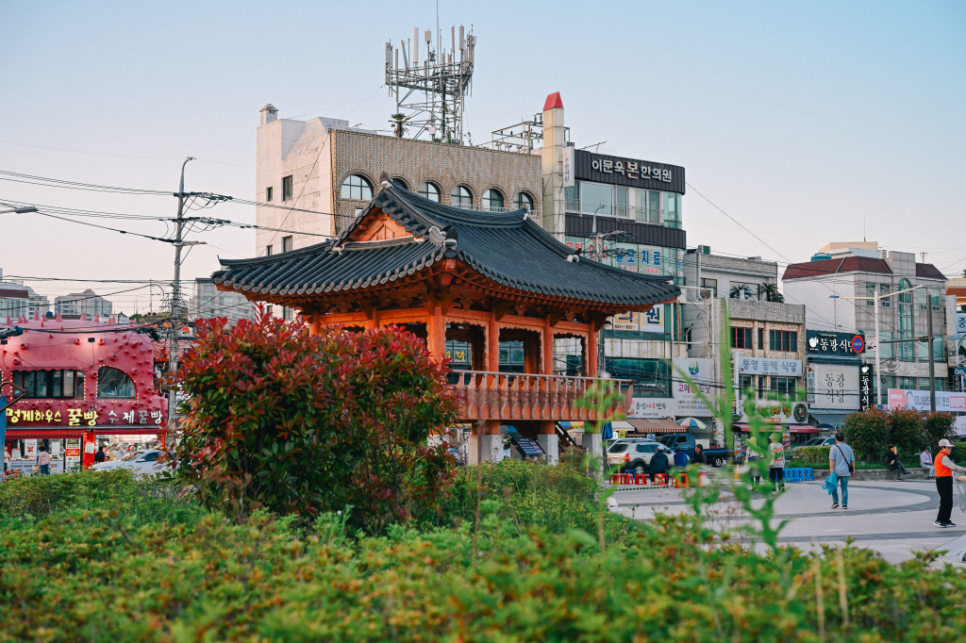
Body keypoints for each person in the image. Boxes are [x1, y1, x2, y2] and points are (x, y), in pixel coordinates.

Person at [934, 438, 965, 528]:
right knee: (945, 500)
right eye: (948, 448)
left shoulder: (944, 456)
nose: (950, 449)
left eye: (950, 448)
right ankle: (939, 520)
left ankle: (946, 520)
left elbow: (951, 467)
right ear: (942, 448)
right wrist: (963, 469)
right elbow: (953, 466)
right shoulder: (942, 457)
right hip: (942, 480)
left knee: (949, 501)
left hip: (946, 479)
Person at [829, 432, 855, 509]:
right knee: (844, 488)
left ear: (836, 439)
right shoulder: (849, 448)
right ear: (844, 439)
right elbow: (852, 460)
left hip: (835, 472)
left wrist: (831, 471)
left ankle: (835, 502)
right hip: (846, 472)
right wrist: (853, 471)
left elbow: (832, 460)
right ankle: (844, 504)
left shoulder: (833, 448)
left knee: (833, 486)